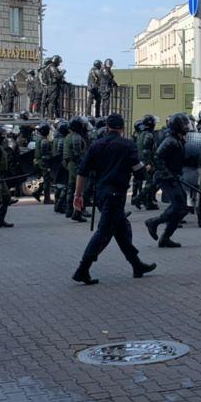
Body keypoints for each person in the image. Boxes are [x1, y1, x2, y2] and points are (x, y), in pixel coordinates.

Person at [71, 113, 157, 284]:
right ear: (122, 128)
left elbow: (82, 172)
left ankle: (136, 264)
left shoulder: (96, 145)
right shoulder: (127, 145)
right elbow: (138, 172)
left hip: (101, 195)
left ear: (108, 127)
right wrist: (145, 168)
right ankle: (82, 269)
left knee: (122, 228)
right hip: (116, 195)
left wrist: (78, 195)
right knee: (104, 233)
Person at [145, 112, 192, 247]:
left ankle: (165, 237)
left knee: (182, 209)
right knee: (179, 206)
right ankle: (153, 222)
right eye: (183, 124)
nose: (186, 126)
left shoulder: (179, 138)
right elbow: (157, 157)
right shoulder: (170, 140)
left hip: (173, 177)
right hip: (165, 178)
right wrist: (167, 173)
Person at [61, 117, 89, 222]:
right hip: (76, 164)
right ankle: (77, 212)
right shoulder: (76, 137)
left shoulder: (68, 136)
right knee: (79, 189)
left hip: (70, 164)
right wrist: (83, 165)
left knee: (71, 187)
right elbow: (78, 154)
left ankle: (69, 210)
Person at [136, 114, 160, 210]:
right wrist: (149, 163)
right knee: (151, 182)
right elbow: (146, 151)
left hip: (143, 161)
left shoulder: (142, 133)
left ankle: (146, 201)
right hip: (147, 162)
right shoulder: (148, 135)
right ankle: (141, 199)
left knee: (151, 182)